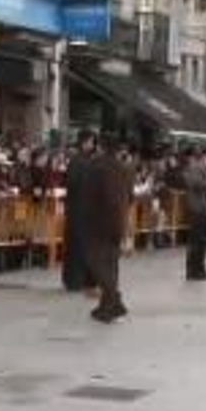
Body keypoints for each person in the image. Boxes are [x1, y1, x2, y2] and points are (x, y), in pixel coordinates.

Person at [79, 134, 135, 323]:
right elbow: (130, 196)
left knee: (95, 261)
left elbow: (86, 195)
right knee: (111, 263)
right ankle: (106, 306)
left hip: (97, 221)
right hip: (118, 220)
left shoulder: (95, 167)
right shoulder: (125, 168)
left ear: (101, 146)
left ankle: (114, 300)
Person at [60, 131, 96, 291]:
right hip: (78, 209)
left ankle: (79, 279)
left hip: (82, 209)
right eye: (90, 142)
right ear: (84, 142)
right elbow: (72, 183)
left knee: (81, 245)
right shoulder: (78, 161)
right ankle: (74, 279)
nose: (92, 145)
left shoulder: (84, 161)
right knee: (77, 245)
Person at [182, 146, 206, 281]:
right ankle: (193, 270)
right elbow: (193, 183)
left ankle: (201, 269)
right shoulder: (196, 166)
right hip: (199, 209)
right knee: (197, 240)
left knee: (204, 240)